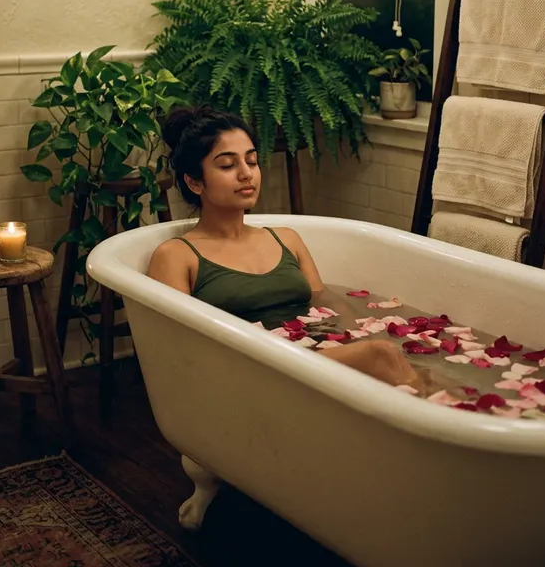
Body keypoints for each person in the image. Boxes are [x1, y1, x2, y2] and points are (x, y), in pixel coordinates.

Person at [147, 106, 420, 388]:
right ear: (194, 182)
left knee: (394, 357)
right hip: (250, 372)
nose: (246, 174)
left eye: (251, 162)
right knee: (382, 356)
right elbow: (179, 347)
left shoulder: (286, 239)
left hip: (314, 358)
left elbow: (324, 300)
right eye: (228, 165)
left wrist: (359, 337)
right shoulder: (176, 256)